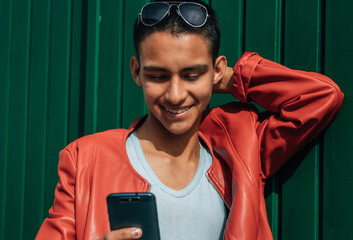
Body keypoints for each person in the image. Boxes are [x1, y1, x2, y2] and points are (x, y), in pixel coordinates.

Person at [36, 0, 344, 239]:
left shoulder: (243, 146)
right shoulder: (85, 158)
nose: (175, 94)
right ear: (136, 72)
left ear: (217, 69)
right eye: (157, 76)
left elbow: (321, 96)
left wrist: (233, 80)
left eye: (191, 74)